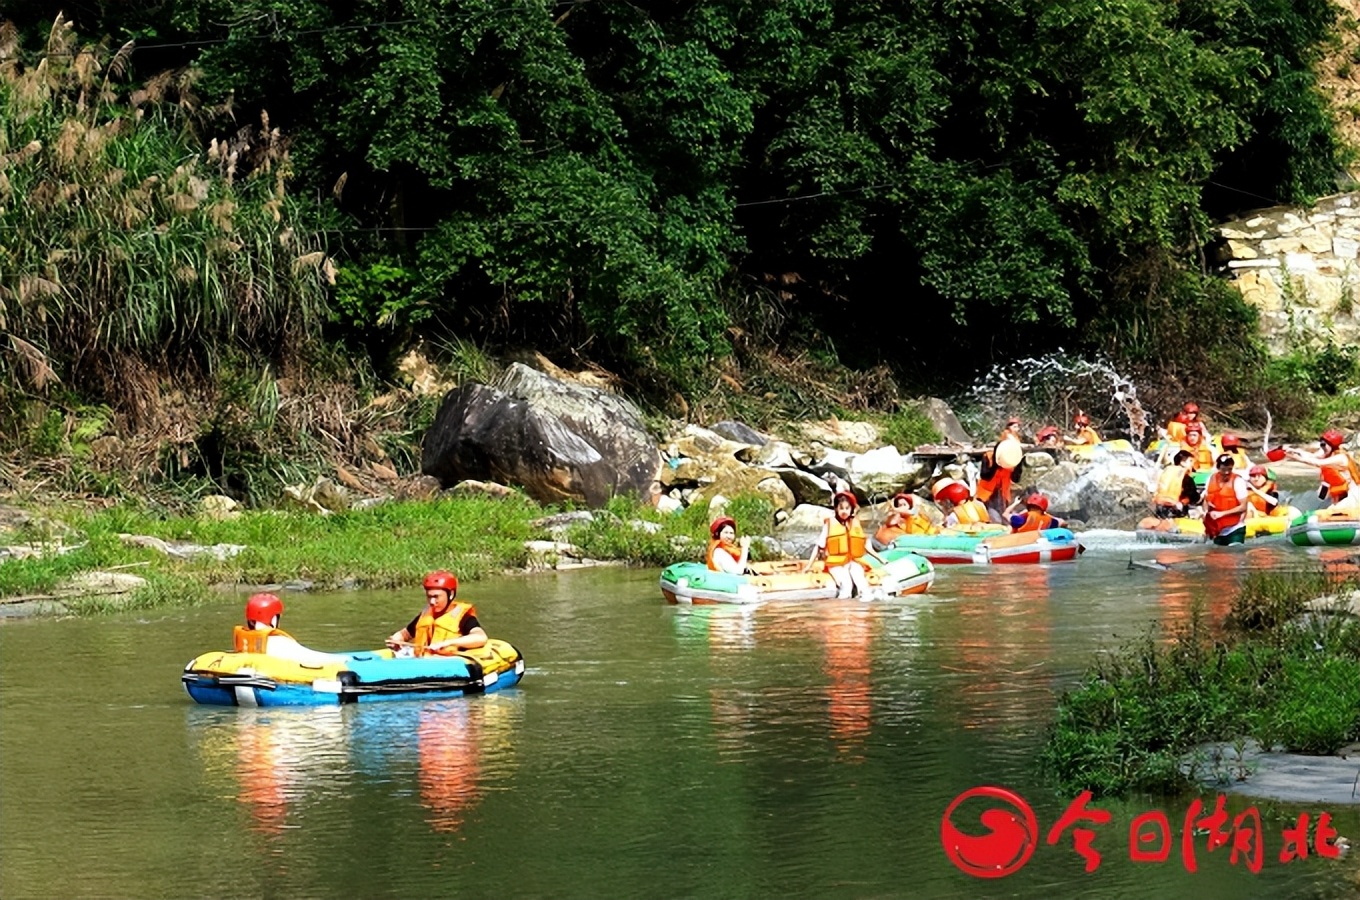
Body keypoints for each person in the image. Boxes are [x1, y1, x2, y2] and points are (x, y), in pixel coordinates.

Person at [387, 571, 488, 657]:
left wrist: (448, 643)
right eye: (429, 596)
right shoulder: (426, 614)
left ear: (451, 595)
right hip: (423, 662)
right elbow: (406, 633)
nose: (432, 601)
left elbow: (481, 637)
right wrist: (397, 639)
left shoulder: (463, 617)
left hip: (449, 664)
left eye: (436, 597)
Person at [807, 491, 886, 599]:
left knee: (861, 582)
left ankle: (864, 607)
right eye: (841, 508)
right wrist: (809, 565)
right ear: (836, 509)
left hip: (853, 561)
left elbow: (866, 546)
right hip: (836, 563)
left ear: (851, 510)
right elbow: (819, 546)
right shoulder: (829, 524)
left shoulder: (855, 524)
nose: (844, 511)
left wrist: (880, 559)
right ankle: (844, 607)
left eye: (847, 508)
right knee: (846, 585)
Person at [233, 593, 343, 666]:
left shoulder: (246, 641)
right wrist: (345, 659)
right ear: (273, 619)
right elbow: (312, 657)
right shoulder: (279, 643)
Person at [1286, 429, 1359, 505]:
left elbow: (1318, 463)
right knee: (1325, 497)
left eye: (1324, 445)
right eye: (1321, 445)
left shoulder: (1341, 458)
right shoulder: (1326, 452)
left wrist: (1297, 458)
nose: (1322, 448)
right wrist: (1296, 451)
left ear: (1332, 445)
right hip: (1337, 493)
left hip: (1351, 494)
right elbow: (1313, 456)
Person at [1201, 453, 1249, 545]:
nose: (1227, 472)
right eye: (1224, 469)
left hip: (1235, 529)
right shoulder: (1210, 479)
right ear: (1218, 468)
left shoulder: (1238, 481)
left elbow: (1243, 507)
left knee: (1233, 556)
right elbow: (1206, 500)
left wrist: (1221, 514)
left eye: (1229, 469)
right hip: (1216, 529)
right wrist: (1205, 512)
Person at [872, 492, 936, 549]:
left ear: (909, 506)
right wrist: (894, 513)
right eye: (899, 505)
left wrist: (896, 510)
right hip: (883, 542)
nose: (902, 507)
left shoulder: (915, 516)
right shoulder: (895, 515)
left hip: (909, 541)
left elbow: (911, 513)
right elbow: (891, 522)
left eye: (904, 505)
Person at [1152, 450, 1201, 518]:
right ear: (1182, 462)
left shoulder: (1165, 471)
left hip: (1158, 506)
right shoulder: (1185, 477)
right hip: (1175, 508)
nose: (1192, 464)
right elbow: (1193, 496)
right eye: (1190, 461)